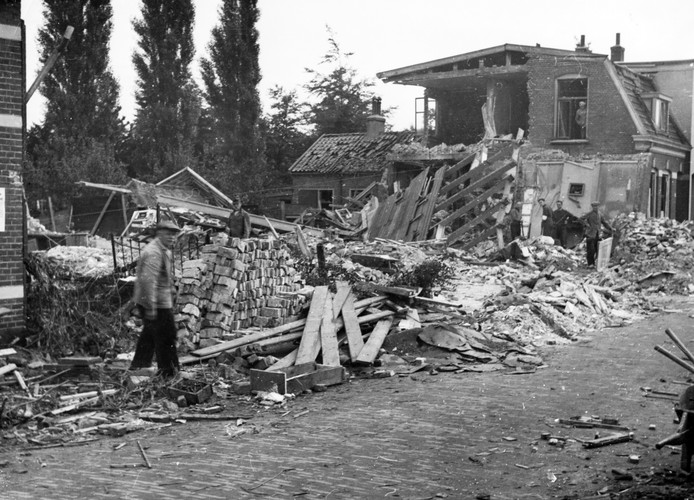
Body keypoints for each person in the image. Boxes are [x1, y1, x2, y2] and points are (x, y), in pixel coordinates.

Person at [130, 219, 181, 378]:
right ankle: (169, 373)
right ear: (159, 234)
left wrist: (171, 289)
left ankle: (139, 365)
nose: (172, 238)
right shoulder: (153, 252)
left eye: (174, 235)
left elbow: (162, 277)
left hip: (157, 299)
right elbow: (147, 281)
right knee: (167, 336)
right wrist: (151, 307)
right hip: (154, 301)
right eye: (168, 234)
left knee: (150, 333)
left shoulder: (164, 250)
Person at [581, 201, 612, 267]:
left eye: (597, 206)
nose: (595, 207)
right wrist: (587, 225)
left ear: (598, 207)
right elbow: (581, 219)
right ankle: (590, 264)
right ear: (592, 207)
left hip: (598, 234)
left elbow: (604, 222)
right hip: (590, 234)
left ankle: (596, 263)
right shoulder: (589, 214)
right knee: (590, 250)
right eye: (594, 206)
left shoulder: (600, 214)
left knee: (597, 250)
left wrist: (610, 228)